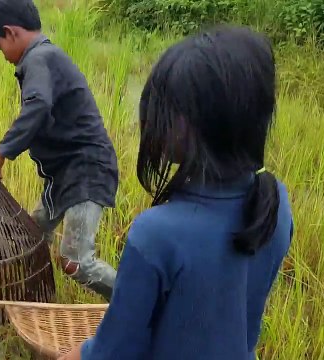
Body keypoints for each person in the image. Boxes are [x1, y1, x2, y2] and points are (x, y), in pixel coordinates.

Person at [59, 26, 293, 360]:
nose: (153, 119)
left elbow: (113, 352)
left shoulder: (157, 234)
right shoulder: (275, 202)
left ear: (203, 123)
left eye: (166, 110)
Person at [0, 0, 119, 301]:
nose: (3, 56)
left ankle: (141, 303)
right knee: (31, 239)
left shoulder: (39, 58)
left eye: (0, 46)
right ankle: (33, 300)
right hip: (63, 174)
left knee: (75, 261)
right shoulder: (44, 57)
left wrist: (1, 153)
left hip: (87, 169)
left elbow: (39, 106)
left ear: (11, 32)